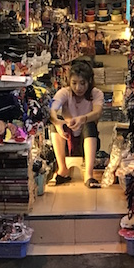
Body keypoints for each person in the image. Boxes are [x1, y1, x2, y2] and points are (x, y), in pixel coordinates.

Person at [49, 60, 104, 188]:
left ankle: (89, 175)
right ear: (69, 82)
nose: (78, 88)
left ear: (89, 81)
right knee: (54, 123)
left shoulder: (96, 93)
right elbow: (52, 109)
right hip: (67, 139)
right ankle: (62, 170)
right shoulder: (65, 92)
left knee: (89, 125)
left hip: (88, 139)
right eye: (74, 83)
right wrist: (57, 123)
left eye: (82, 83)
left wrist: (82, 119)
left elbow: (97, 112)